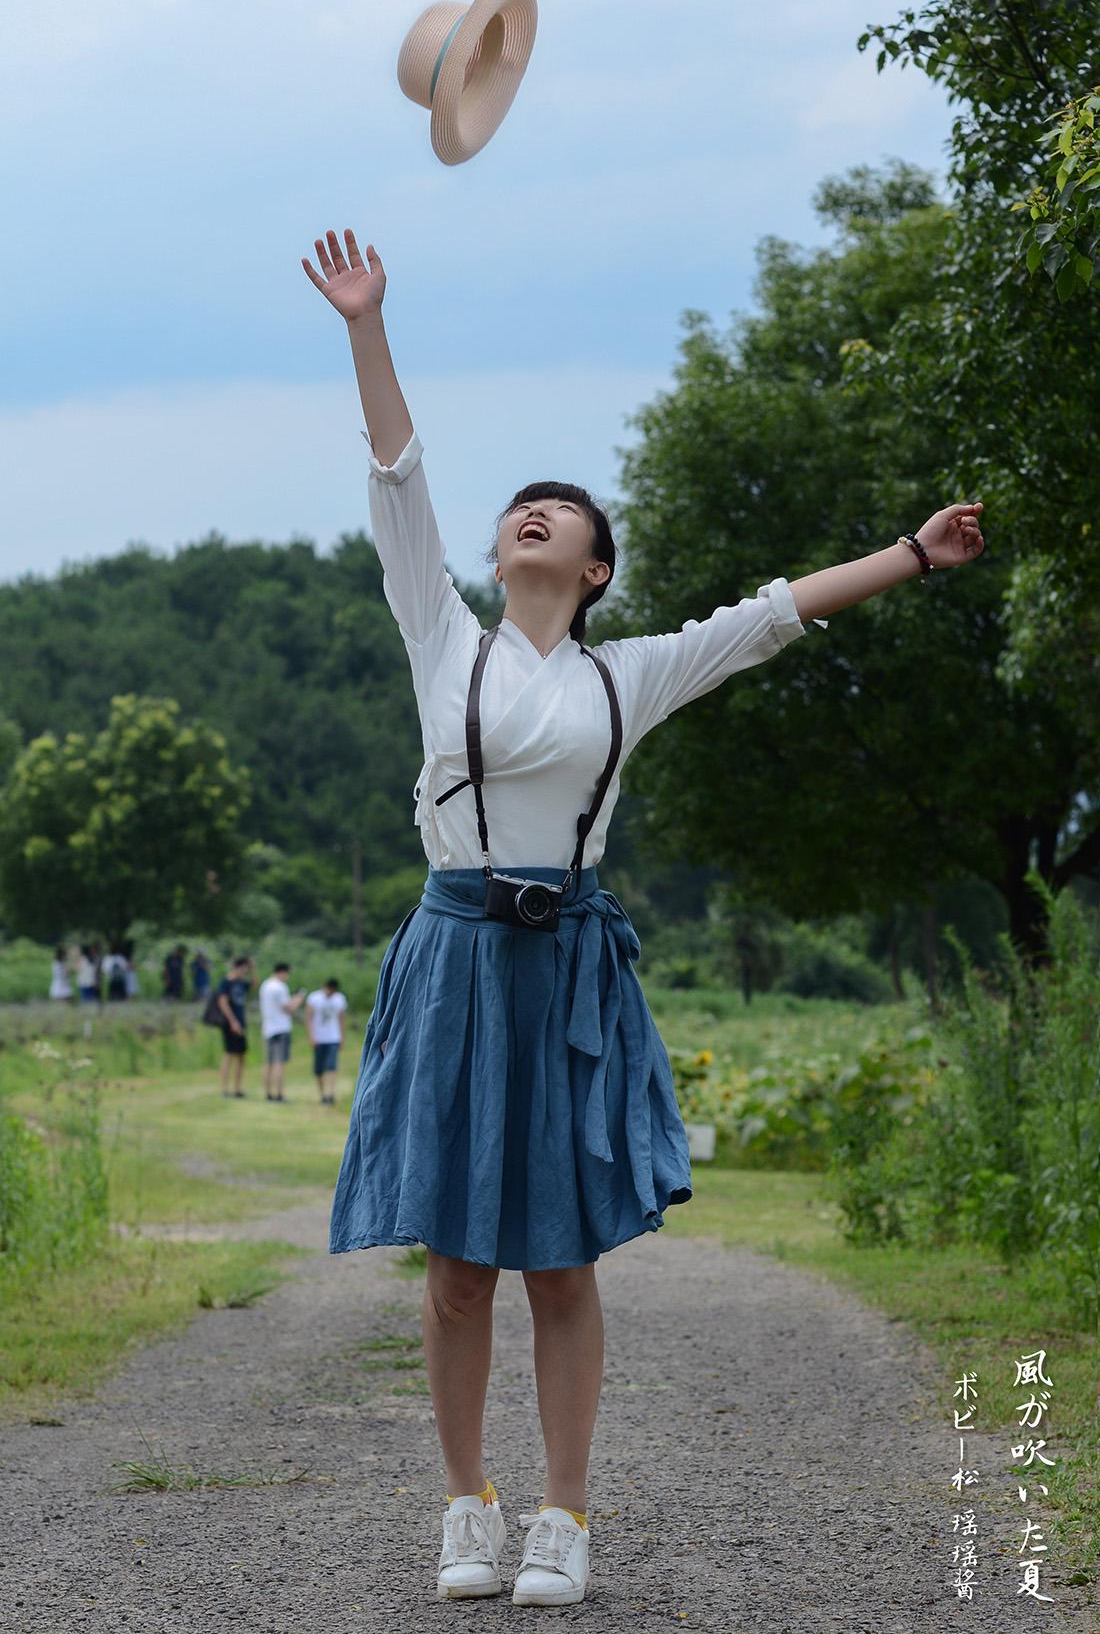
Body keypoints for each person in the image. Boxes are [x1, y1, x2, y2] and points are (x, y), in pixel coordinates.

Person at [302, 227, 986, 1606]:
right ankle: (466, 1506)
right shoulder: (442, 635)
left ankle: (563, 1513)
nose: (533, 514)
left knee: (559, 1263)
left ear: (596, 569)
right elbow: (398, 475)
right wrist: (366, 324)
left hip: (567, 967)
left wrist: (912, 554)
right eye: (520, 507)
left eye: (561, 512)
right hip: (452, 954)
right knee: (456, 1267)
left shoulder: (631, 677)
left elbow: (771, 615)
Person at [258, 962, 307, 1102]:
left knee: (268, 1062)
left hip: (267, 1028)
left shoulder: (265, 985)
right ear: (282, 972)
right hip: (280, 1028)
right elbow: (289, 1008)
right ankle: (279, 1094)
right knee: (279, 1063)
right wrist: (299, 998)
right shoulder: (280, 987)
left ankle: (268, 1093)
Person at [215, 955, 255, 1097]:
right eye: (243, 969)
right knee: (229, 1054)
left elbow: (254, 984)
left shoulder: (241, 983)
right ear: (237, 968)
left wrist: (253, 969)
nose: (244, 972)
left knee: (241, 1056)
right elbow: (222, 1002)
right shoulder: (226, 982)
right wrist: (233, 1021)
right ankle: (224, 1089)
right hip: (230, 1024)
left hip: (241, 1022)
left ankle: (237, 1089)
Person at [304, 977, 347, 1105]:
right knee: (319, 1068)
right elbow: (309, 1018)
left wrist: (342, 1038)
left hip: (333, 1038)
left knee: (332, 1066)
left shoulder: (339, 999)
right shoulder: (314, 998)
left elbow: (341, 1020)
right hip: (319, 1038)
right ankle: (322, 1094)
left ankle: (331, 1093)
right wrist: (311, 1036)